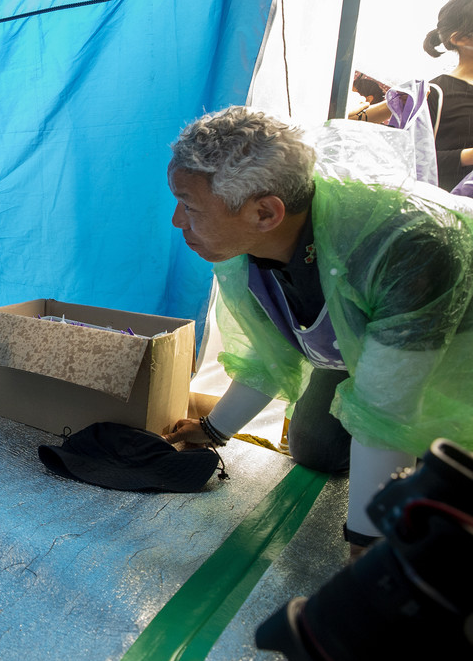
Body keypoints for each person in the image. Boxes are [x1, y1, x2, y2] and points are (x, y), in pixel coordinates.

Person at [163, 106, 473, 553]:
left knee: (434, 456)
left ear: (266, 212)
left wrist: (369, 541)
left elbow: (385, 410)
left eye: (190, 206)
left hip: (454, 347)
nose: (178, 220)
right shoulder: (251, 241)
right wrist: (214, 430)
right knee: (315, 448)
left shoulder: (407, 247)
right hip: (365, 341)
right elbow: (269, 352)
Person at [421, 0, 473, 190]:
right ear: (460, 39)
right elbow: (412, 160)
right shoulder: (433, 92)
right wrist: (468, 155)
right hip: (448, 214)